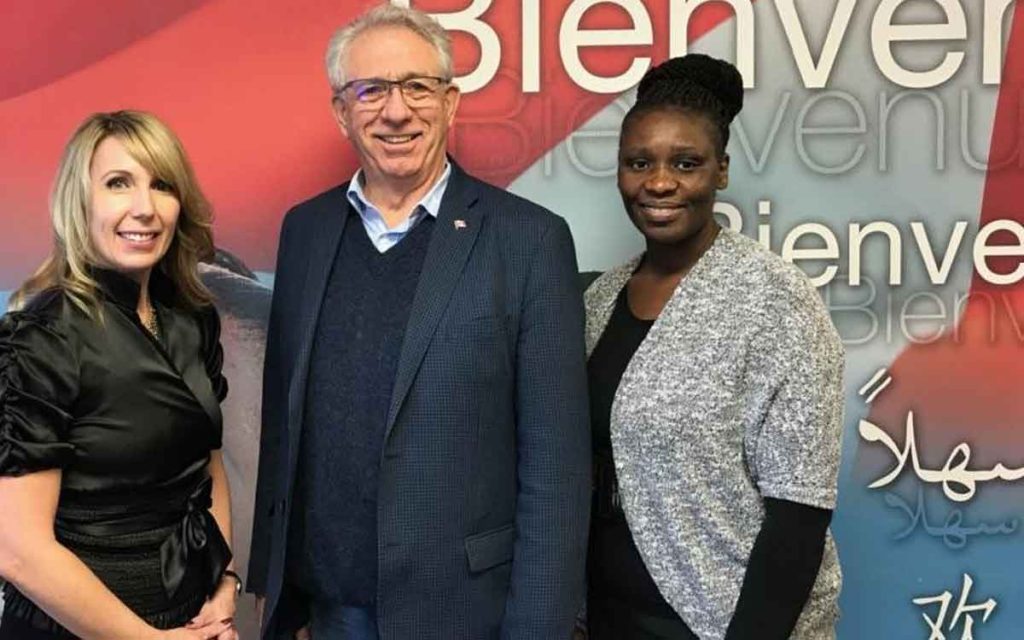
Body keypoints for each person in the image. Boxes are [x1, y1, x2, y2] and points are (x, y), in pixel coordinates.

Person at [246, 4, 590, 640]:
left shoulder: (529, 241)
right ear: (341, 110)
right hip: (327, 611)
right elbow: (285, 423)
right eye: (370, 90)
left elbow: (557, 466)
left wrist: (539, 628)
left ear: (450, 102)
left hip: (465, 613)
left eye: (416, 87)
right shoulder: (306, 232)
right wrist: (277, 589)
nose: (396, 111)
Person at [584, 55, 844, 640]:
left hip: (727, 625)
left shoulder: (778, 302)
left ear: (721, 171)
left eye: (686, 163)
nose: (659, 182)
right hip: (609, 619)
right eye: (638, 162)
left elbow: (798, 516)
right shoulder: (598, 300)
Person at [0, 111, 240, 640]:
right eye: (117, 184)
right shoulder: (42, 335)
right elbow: (16, 549)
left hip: (187, 618)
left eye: (162, 185)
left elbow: (209, 468)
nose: (144, 209)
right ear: (78, 200)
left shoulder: (192, 320)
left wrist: (222, 585)